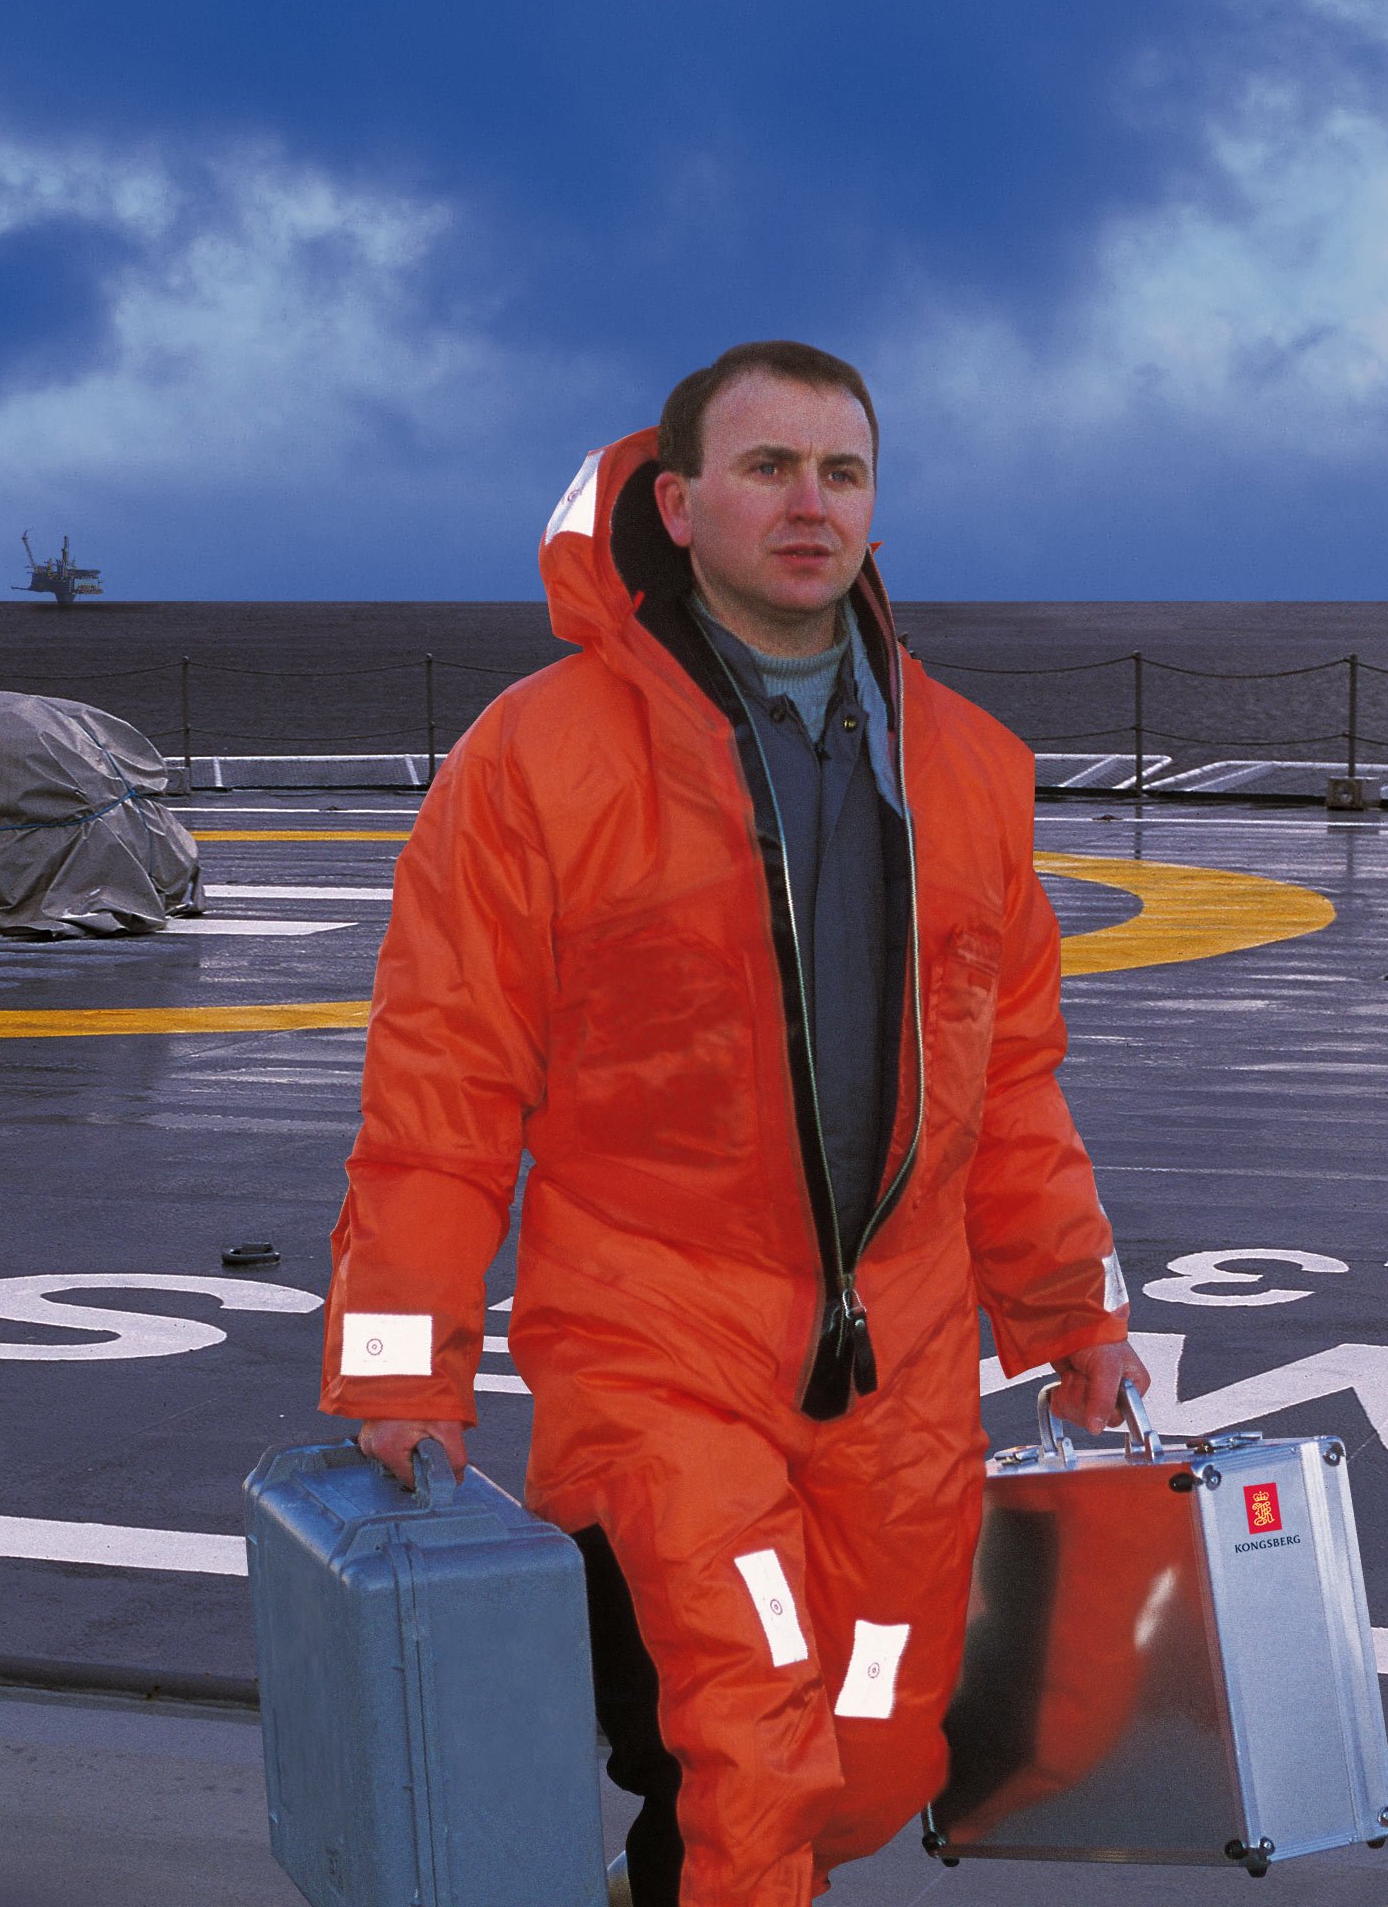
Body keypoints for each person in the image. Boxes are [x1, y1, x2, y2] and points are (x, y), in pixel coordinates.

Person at [318, 340, 1149, 1907]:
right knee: (744, 1736)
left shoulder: (970, 767)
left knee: (881, 1749)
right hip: (658, 1335)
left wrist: (1067, 1311)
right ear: (678, 500)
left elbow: (1012, 1080)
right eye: (766, 468)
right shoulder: (536, 757)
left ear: (876, 515)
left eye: (839, 474)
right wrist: (397, 1363)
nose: (806, 504)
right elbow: (442, 1077)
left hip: (898, 1358)